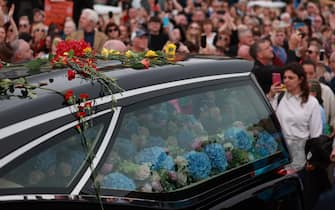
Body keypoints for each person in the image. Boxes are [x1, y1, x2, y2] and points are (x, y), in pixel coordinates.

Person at [267, 62, 326, 210]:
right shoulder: (280, 98)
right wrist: (271, 95)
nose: (286, 80)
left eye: (290, 77)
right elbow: (269, 120)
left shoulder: (311, 103)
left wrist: (311, 160)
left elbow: (316, 134)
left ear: (300, 79)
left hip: (302, 157)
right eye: (284, 77)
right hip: (282, 155)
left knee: (302, 199)